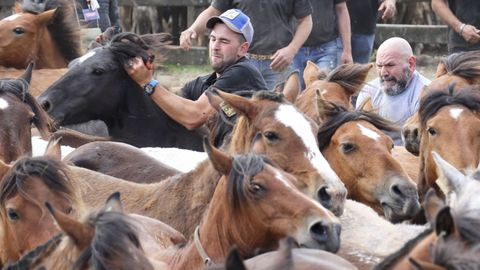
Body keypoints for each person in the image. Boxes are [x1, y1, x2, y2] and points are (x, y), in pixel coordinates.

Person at [126, 9, 267, 132]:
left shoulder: (243, 72)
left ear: (243, 49)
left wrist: (148, 82)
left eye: (224, 41)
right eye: (212, 39)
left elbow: (194, 116)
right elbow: (171, 110)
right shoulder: (203, 83)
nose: (215, 46)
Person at [179, 1, 313, 91]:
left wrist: (292, 49)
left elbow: (306, 20)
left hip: (278, 63)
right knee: (234, 113)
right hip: (243, 63)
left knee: (278, 118)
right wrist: (193, 29)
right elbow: (213, 11)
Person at [355, 37, 430, 145]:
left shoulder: (427, 93)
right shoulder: (369, 91)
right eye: (379, 66)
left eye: (390, 65)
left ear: (411, 64)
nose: (383, 72)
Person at [293, 0, 353, 89]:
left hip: (326, 47)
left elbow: (342, 9)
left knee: (323, 91)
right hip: (293, 49)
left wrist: (347, 50)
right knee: (294, 94)